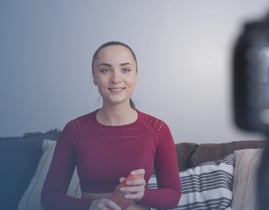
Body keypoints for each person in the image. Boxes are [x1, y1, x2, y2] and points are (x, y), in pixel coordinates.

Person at [41, 41, 182, 210]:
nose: (116, 79)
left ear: (136, 75)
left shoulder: (158, 129)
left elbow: (173, 196)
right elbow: (49, 198)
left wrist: (143, 194)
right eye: (105, 70)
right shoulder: (74, 130)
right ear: (94, 77)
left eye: (125, 69)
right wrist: (91, 206)